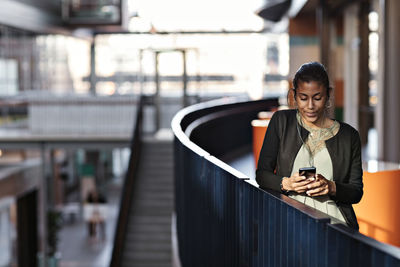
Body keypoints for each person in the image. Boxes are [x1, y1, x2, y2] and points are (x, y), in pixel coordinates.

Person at [255, 62, 363, 230]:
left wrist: (331, 186)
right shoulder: (281, 122)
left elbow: (356, 191)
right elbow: (262, 174)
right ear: (294, 95)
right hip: (289, 217)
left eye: (317, 98)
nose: (310, 106)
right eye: (303, 98)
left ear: (328, 94)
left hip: (335, 223)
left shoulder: (349, 136)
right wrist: (286, 183)